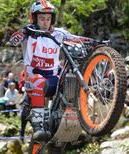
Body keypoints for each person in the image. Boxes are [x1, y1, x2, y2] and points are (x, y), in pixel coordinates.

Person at [9, 0, 91, 141]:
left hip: (52, 77)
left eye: (48, 19)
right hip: (32, 79)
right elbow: (12, 41)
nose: (45, 22)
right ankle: (38, 127)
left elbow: (78, 39)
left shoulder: (59, 33)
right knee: (39, 82)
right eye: (41, 19)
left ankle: (72, 124)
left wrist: (96, 42)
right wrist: (23, 31)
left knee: (72, 81)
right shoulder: (30, 33)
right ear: (34, 18)